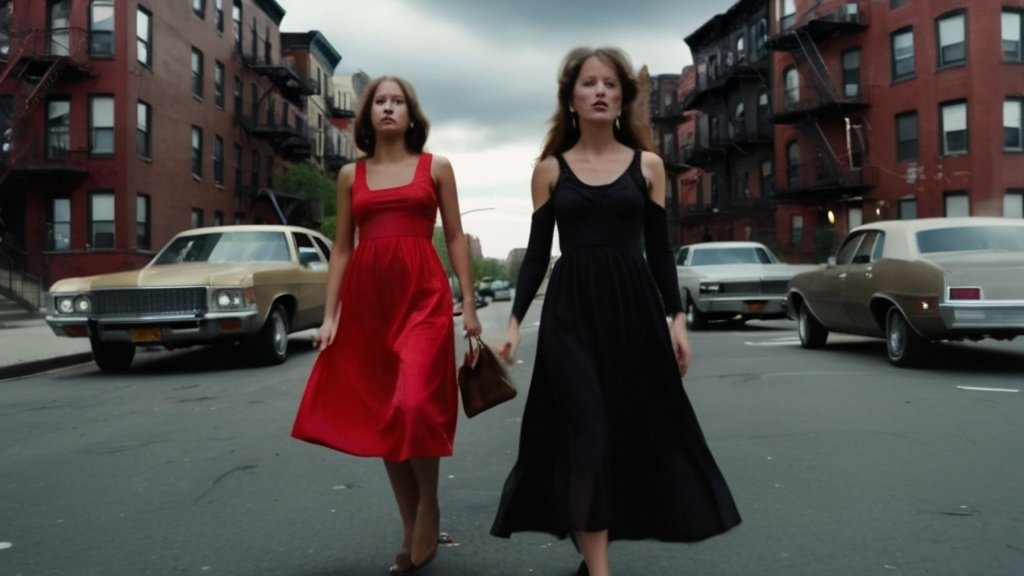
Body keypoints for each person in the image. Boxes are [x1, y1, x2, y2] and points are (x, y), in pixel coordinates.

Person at [490, 47, 741, 576]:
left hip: (633, 314)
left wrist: (676, 320)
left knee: (628, 433)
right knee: (587, 433)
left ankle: (593, 555)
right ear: (572, 98)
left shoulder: (647, 166)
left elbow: (660, 250)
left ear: (623, 98)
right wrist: (513, 324)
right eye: (589, 83)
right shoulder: (550, 170)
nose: (600, 91)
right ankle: (600, 571)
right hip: (571, 315)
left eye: (610, 84)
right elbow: (537, 254)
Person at [291, 75, 481, 576]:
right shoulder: (352, 176)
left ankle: (429, 505)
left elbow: (456, 236)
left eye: (398, 101)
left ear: (412, 114)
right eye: (381, 101)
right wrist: (331, 317)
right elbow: (342, 248)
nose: (389, 108)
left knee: (416, 402)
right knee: (385, 412)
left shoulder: (435, 167)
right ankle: (410, 526)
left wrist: (470, 298)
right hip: (368, 303)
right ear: (368, 115)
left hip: (422, 298)